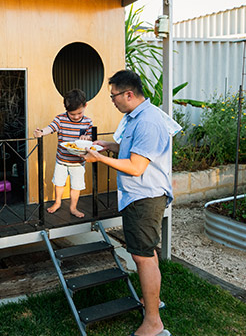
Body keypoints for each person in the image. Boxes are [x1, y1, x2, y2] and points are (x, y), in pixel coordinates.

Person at [83, 70, 173, 336]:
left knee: (142, 257)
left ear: (129, 94)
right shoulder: (138, 117)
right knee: (147, 252)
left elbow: (135, 166)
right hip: (140, 196)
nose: (112, 101)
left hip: (144, 197)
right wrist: (108, 146)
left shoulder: (147, 122)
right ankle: (152, 301)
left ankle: (153, 323)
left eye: (113, 96)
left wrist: (99, 159)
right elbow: (132, 151)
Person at [33, 88, 92, 218]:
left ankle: (73, 207)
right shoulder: (60, 119)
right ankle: (57, 202)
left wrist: (87, 138)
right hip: (62, 160)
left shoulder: (88, 122)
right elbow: (51, 128)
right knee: (59, 183)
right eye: (72, 115)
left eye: (79, 113)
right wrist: (41, 132)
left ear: (85, 106)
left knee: (76, 186)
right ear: (66, 110)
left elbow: (91, 138)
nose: (76, 117)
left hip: (78, 162)